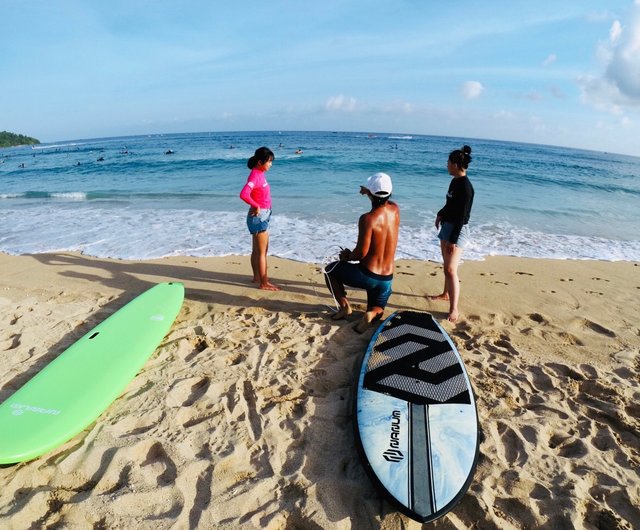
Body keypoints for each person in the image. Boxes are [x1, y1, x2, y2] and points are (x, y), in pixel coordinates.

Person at [325, 172, 400, 332]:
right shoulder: (395, 210)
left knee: (329, 270)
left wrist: (347, 256)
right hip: (386, 279)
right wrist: (370, 191)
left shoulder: (368, 219)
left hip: (366, 275)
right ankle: (371, 315)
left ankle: (344, 307)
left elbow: (360, 253)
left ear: (370, 193)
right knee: (377, 308)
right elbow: (384, 198)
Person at [429, 145, 475, 323]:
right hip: (448, 226)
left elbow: (462, 216)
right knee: (446, 265)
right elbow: (450, 203)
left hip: (458, 229)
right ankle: (445, 294)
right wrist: (440, 214)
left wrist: (453, 241)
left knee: (450, 269)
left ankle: (454, 308)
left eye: (448, 162)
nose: (446, 165)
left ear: (455, 164)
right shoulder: (455, 181)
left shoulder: (466, 187)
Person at [239, 146, 280, 291]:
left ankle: (257, 277)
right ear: (260, 162)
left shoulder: (259, 173)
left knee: (257, 250)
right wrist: (256, 206)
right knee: (262, 252)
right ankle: (264, 282)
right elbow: (244, 194)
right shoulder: (255, 175)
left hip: (262, 215)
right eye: (269, 161)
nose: (271, 164)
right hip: (259, 216)